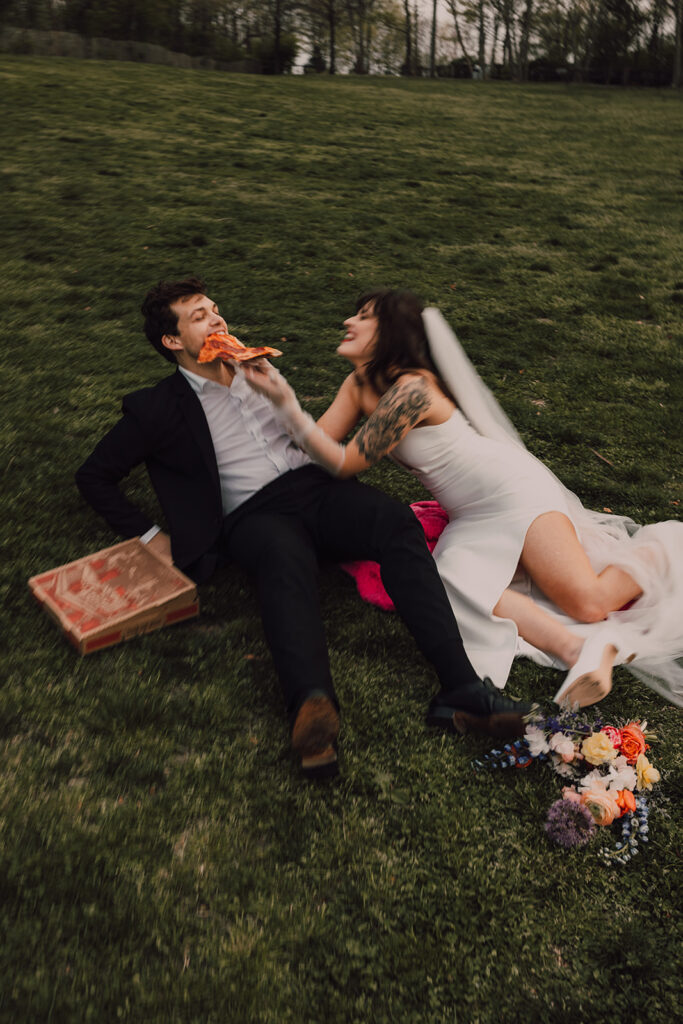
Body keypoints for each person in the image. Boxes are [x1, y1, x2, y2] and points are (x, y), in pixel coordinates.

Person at [74, 277, 534, 782]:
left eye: (216, 309)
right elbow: (94, 477)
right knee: (283, 562)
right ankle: (311, 709)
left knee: (395, 522)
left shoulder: (257, 369)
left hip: (314, 489)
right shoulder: (155, 408)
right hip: (253, 514)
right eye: (200, 317)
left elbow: (314, 441)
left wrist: (280, 392)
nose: (218, 320)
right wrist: (150, 536)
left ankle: (461, 688)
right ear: (171, 341)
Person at [242, 289, 683, 710]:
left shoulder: (413, 389)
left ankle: (668, 546)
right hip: (470, 514)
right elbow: (317, 447)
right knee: (447, 581)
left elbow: (344, 462)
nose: (348, 321)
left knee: (587, 602)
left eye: (364, 316)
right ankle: (577, 648)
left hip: (513, 493)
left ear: (391, 333)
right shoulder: (359, 383)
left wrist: (284, 401)